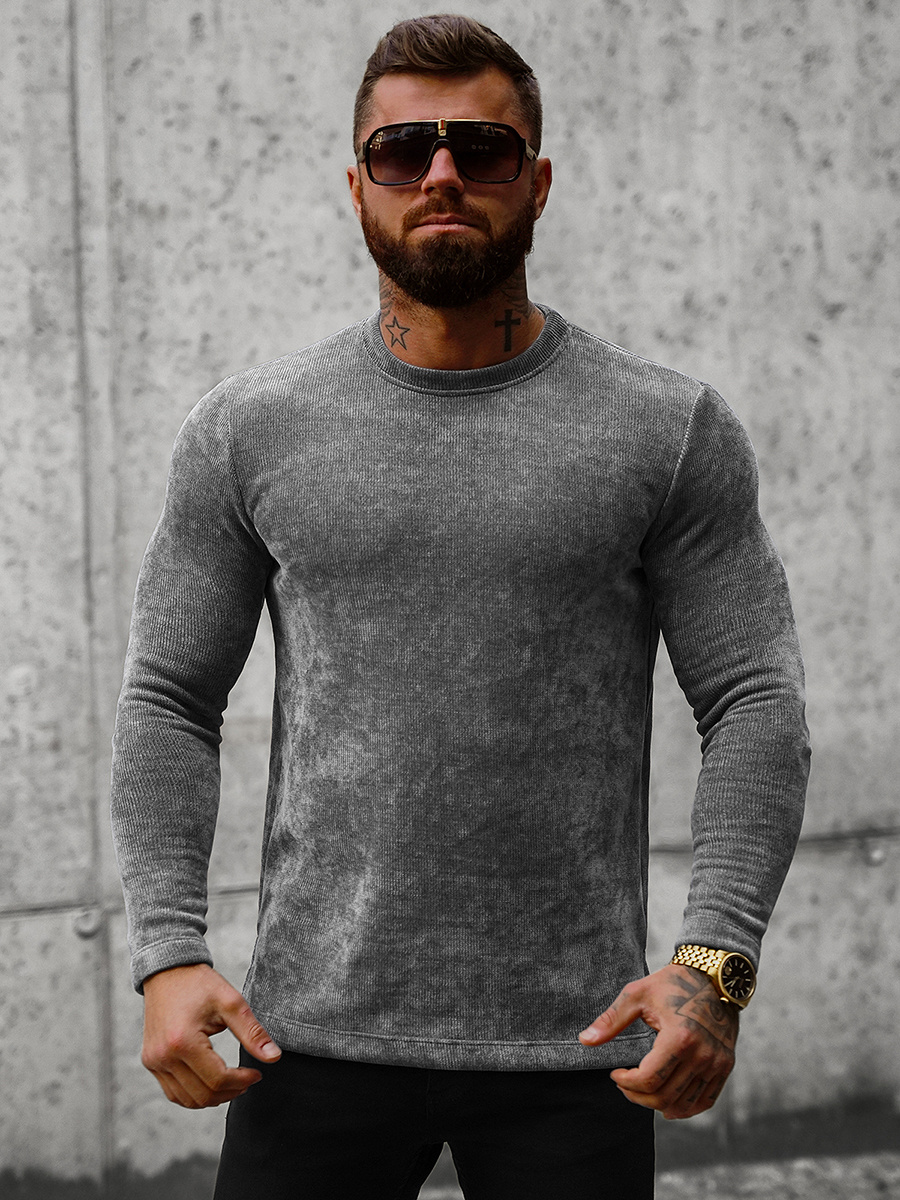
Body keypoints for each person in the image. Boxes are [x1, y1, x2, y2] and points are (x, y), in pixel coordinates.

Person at [110, 14, 810, 1199]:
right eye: (402, 150)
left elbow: (754, 698)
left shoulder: (666, 429)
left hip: (579, 1047)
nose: (441, 174)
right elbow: (170, 697)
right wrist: (167, 952)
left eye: (482, 149)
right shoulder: (250, 430)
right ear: (358, 185)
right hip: (309, 1041)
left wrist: (715, 962)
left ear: (537, 181)